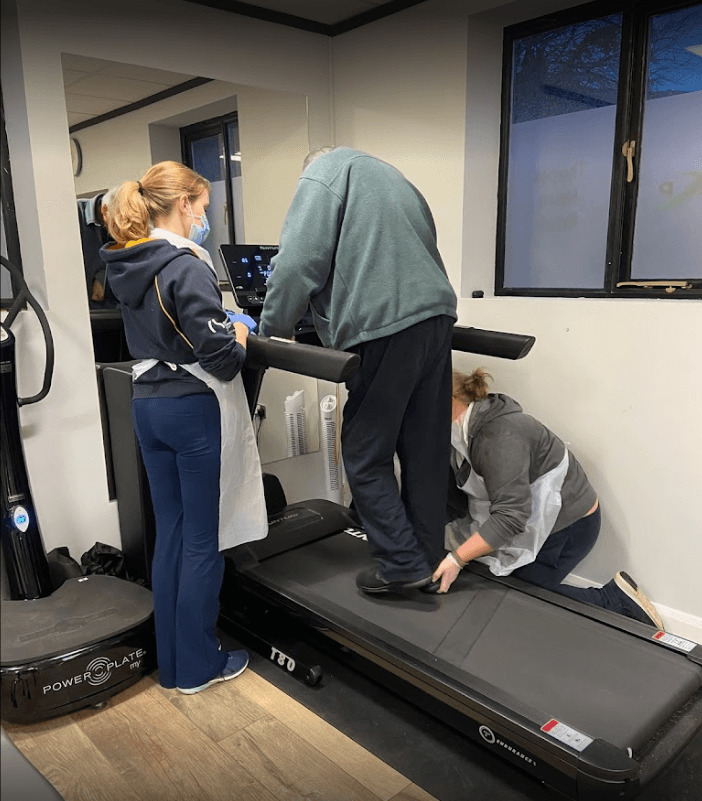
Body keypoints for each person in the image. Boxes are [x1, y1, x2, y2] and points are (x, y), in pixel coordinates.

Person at [259, 146, 458, 594]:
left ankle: (402, 563)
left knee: (364, 452)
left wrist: (270, 331)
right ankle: (425, 559)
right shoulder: (394, 177)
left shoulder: (323, 174)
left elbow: (297, 262)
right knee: (425, 450)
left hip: (383, 324)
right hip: (437, 317)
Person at [101, 161, 267, 694]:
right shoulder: (185, 264)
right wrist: (239, 329)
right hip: (192, 407)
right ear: (183, 205)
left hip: (147, 404)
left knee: (169, 534)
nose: (205, 217)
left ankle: (171, 663)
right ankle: (197, 668)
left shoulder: (128, 262)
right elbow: (219, 358)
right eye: (203, 206)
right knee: (202, 541)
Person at [432, 368, 664, 629]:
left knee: (516, 600)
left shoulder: (498, 437)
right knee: (488, 576)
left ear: (450, 401)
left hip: (569, 528)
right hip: (533, 517)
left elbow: (510, 518)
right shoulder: (465, 434)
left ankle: (614, 602)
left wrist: (456, 559)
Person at [77, 189, 119, 308]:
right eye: (120, 221)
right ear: (105, 211)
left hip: (114, 310)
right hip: (82, 310)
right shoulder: (74, 214)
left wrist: (102, 277)